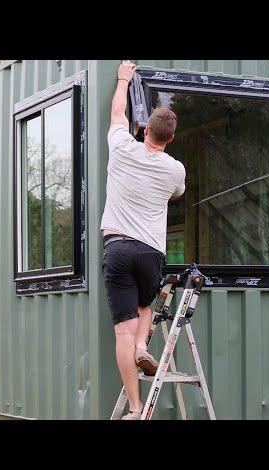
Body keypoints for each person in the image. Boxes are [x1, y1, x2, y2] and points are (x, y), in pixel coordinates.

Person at [100, 61, 186, 420]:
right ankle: (141, 345)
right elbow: (175, 195)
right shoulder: (175, 169)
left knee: (122, 328)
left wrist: (123, 79)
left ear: (144, 128)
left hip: (117, 247)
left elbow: (117, 111)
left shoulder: (122, 146)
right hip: (150, 251)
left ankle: (135, 408)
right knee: (144, 309)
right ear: (171, 138)